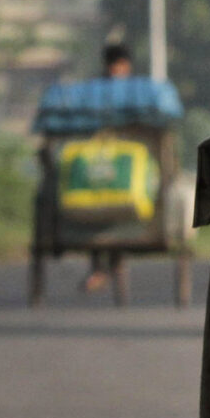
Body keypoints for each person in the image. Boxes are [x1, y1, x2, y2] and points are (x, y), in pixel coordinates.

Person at [83, 41, 138, 292]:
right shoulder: (95, 92)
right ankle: (99, 267)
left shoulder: (138, 92)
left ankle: (113, 262)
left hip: (128, 165)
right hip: (100, 162)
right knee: (92, 208)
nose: (117, 70)